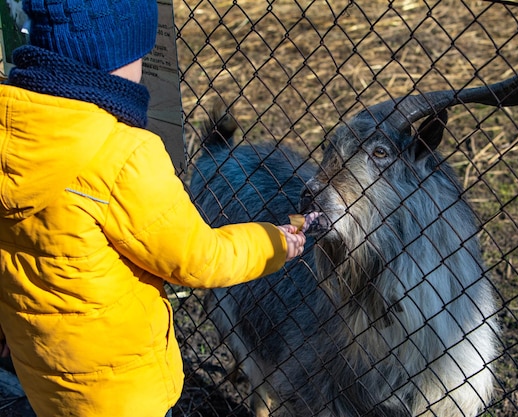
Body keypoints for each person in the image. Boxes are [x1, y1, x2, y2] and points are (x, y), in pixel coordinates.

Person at [0, 0, 308, 416]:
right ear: (111, 59)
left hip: (46, 378)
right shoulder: (124, 155)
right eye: (137, 54)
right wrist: (274, 243)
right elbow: (198, 258)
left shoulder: (10, 134)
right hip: (123, 392)